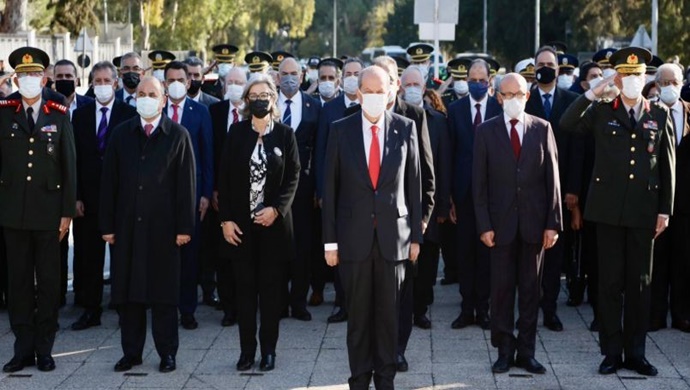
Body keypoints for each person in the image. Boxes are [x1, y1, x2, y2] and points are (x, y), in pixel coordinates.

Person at [560, 46, 675, 377]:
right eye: (625, 75)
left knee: (640, 285)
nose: (632, 81)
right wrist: (596, 89)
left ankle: (635, 353)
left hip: (643, 212)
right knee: (609, 285)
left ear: (646, 78)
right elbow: (567, 123)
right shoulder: (601, 112)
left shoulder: (658, 114)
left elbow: (667, 167)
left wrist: (664, 211)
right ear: (618, 78)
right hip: (607, 211)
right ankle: (611, 352)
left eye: (637, 76)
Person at [322, 65, 422, 390]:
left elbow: (415, 187)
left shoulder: (406, 128)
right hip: (354, 242)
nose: (376, 97)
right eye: (370, 91)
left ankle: (386, 381)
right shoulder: (341, 130)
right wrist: (330, 243)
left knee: (389, 319)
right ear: (359, 93)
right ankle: (359, 381)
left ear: (391, 92)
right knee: (359, 321)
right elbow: (330, 191)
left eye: (382, 91)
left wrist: (416, 238)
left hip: (395, 241)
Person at [99, 76, 196, 373]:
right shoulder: (120, 134)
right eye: (140, 93)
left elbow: (186, 187)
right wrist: (107, 225)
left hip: (164, 231)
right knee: (129, 295)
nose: (145, 98)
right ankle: (132, 353)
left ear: (163, 99)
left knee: (164, 295)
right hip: (127, 230)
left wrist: (185, 228)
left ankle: (167, 352)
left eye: (151, 93)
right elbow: (109, 183)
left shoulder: (178, 136)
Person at [473, 72, 561, 375]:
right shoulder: (485, 132)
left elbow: (553, 179)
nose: (513, 100)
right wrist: (484, 224)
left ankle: (527, 352)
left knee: (530, 291)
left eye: (519, 94)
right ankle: (504, 350)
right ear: (499, 98)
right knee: (501, 291)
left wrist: (553, 222)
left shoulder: (542, 128)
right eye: (507, 95)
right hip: (500, 227)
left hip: (535, 226)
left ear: (527, 95)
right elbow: (479, 184)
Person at [0, 47, 76, 373]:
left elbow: (69, 165)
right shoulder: (4, 111)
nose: (29, 79)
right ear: (15, 78)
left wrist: (67, 212)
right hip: (13, 213)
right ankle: (22, 349)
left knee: (47, 283)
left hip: (48, 214)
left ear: (44, 78)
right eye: (24, 75)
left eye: (35, 75)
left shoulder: (58, 112)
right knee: (17, 283)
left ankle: (45, 349)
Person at [217, 74, 300, 372]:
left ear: (273, 99)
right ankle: (246, 351)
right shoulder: (236, 133)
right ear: (247, 101)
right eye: (254, 95)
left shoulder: (286, 134)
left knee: (271, 293)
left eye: (265, 93)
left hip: (274, 229)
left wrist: (276, 210)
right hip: (241, 229)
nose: (260, 99)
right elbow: (224, 179)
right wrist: (225, 220)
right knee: (245, 292)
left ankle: (269, 352)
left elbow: (293, 177)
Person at [70, 61, 137, 331]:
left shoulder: (128, 113)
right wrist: (75, 196)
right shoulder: (81, 115)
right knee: (89, 257)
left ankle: (124, 309)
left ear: (116, 83)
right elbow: (73, 159)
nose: (101, 86)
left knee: (121, 258)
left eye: (106, 81)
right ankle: (90, 309)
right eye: (96, 81)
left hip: (119, 199)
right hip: (88, 199)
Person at [525, 45, 579, 333]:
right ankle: (530, 307)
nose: (546, 67)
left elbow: (577, 149)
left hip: (560, 192)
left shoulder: (572, 100)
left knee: (556, 252)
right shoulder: (524, 100)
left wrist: (572, 189)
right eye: (541, 63)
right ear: (534, 68)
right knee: (532, 252)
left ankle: (550, 310)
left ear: (559, 69)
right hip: (531, 191)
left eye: (551, 63)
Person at [448, 59, 502, 330]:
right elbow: (449, 154)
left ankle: (485, 309)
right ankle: (466, 308)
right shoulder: (455, 110)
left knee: (487, 253)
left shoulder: (498, 107)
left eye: (482, 80)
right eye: (472, 79)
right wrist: (449, 197)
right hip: (463, 194)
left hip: (492, 195)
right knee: (465, 252)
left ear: (490, 81)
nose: (477, 84)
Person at [163, 61, 214, 330]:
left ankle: (187, 309)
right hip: (160, 196)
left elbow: (207, 156)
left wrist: (206, 194)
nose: (175, 83)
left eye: (180, 79)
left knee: (189, 255)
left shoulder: (200, 112)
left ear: (188, 81)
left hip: (192, 195)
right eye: (170, 79)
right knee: (163, 255)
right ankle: (165, 305)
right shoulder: (155, 110)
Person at [400, 66, 450, 330]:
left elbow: (442, 165)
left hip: (427, 205)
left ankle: (420, 310)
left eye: (416, 84)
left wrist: (442, 205)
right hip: (401, 205)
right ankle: (403, 309)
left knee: (428, 262)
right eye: (406, 84)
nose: (411, 89)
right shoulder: (394, 117)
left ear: (424, 87)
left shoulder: (438, 121)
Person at [314, 57, 364, 322]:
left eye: (358, 73)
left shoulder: (370, 106)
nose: (353, 77)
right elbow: (322, 153)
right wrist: (323, 192)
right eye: (349, 73)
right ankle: (341, 302)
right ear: (341, 78)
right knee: (338, 247)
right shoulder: (330, 110)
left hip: (365, 194)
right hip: (339, 192)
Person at [275, 57, 320, 321]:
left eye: (294, 73)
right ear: (277, 77)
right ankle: (279, 302)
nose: (290, 78)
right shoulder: (268, 106)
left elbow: (322, 147)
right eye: (285, 73)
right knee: (277, 247)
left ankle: (299, 302)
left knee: (303, 246)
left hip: (304, 190)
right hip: (275, 190)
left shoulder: (314, 107)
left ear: (302, 76)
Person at [649, 63, 690, 333]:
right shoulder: (649, 113)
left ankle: (682, 314)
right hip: (656, 200)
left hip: (687, 200)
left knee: (685, 258)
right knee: (657, 259)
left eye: (673, 81)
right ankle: (654, 315)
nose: (669, 87)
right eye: (663, 82)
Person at [207, 67, 248, 327]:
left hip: (248, 195)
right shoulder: (215, 112)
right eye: (229, 81)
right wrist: (212, 189)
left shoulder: (254, 113)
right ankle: (228, 306)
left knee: (246, 255)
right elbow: (210, 152)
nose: (233, 86)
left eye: (238, 82)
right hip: (220, 195)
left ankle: (246, 303)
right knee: (223, 254)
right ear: (223, 85)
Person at [53, 58, 95, 306]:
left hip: (82, 189)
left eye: (69, 76)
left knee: (83, 246)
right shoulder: (48, 105)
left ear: (77, 80)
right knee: (56, 248)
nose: (65, 81)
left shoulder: (87, 107)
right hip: (53, 189)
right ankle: (56, 297)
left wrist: (78, 193)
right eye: (60, 76)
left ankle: (82, 295)